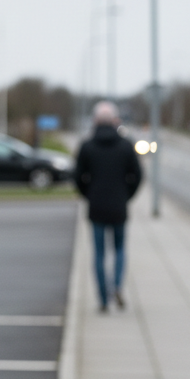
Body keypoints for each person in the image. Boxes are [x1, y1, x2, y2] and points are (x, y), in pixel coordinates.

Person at [74, 101, 142, 312]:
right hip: (119, 206)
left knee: (99, 253)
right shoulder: (125, 145)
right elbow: (137, 176)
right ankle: (117, 285)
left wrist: (89, 195)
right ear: (115, 120)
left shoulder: (87, 146)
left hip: (96, 207)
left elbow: (78, 178)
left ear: (95, 120)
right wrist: (126, 196)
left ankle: (103, 299)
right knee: (120, 249)